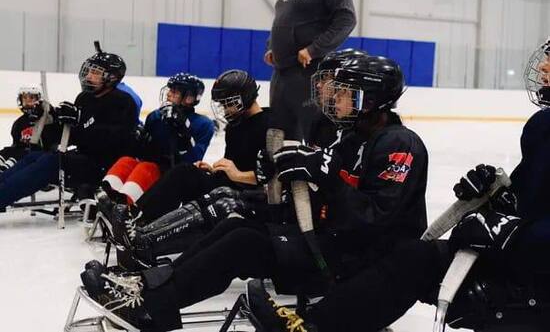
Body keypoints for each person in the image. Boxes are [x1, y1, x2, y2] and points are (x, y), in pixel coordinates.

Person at [80, 53, 429, 332]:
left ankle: (149, 308)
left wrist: (322, 178)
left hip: (359, 262)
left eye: (342, 93)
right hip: (334, 242)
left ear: (370, 99)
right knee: (237, 224)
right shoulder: (352, 138)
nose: (333, 100)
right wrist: (285, 177)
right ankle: (148, 287)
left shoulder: (400, 145)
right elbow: (325, 197)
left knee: (243, 243)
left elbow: (374, 220)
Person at [245, 39, 550, 332]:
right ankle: (312, 324)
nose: (543, 66)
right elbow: (529, 197)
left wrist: (514, 233)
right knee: (416, 257)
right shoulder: (540, 126)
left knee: (411, 260)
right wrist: (496, 195)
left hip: (537, 268)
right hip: (523, 253)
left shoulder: (397, 142)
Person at [114, 69, 270, 227]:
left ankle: (137, 219)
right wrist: (214, 170)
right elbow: (234, 165)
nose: (224, 109)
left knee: (182, 173)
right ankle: (138, 217)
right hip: (226, 185)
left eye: (228, 104)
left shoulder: (270, 126)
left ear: (244, 98)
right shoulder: (234, 126)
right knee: (185, 171)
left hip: (246, 195)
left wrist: (238, 175)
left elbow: (273, 176)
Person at [0, 51, 137, 211]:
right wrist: (52, 119)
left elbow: (114, 141)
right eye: (88, 71)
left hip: (105, 166)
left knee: (51, 163)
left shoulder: (123, 102)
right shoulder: (84, 98)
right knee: (34, 156)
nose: (88, 76)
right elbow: (70, 136)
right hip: (82, 158)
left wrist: (79, 121)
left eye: (95, 72)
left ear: (111, 77)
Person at [266, 0, 356, 141]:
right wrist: (271, 47)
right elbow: (284, 19)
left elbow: (346, 19)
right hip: (281, 74)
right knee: (278, 135)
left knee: (307, 138)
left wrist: (313, 49)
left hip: (309, 74)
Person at [98, 73, 214, 206]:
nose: (169, 94)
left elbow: (192, 161)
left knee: (146, 167)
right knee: (126, 161)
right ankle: (103, 196)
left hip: (174, 175)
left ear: (189, 98)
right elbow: (142, 152)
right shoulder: (155, 116)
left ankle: (125, 204)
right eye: (170, 89)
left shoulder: (203, 124)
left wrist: (183, 133)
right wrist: (138, 139)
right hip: (151, 166)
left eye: (175, 91)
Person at [0, 87, 60, 173]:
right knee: (6, 152)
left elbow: (52, 142)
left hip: (38, 157)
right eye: (24, 98)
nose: (28, 101)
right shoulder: (19, 123)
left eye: (31, 98)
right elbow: (16, 144)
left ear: (39, 100)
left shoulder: (48, 119)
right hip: (22, 153)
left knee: (16, 159)